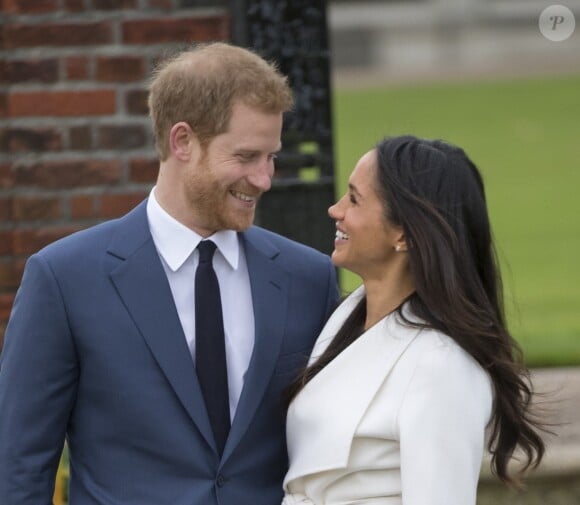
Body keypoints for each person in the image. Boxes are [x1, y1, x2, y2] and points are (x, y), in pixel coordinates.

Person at [0, 42, 339, 505]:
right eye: (246, 157)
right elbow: (19, 466)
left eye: (271, 156)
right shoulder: (64, 279)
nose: (264, 178)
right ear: (182, 141)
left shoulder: (309, 278)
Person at [281, 135, 546, 505]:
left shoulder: (442, 365)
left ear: (403, 232)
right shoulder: (345, 317)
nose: (335, 210)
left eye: (354, 199)